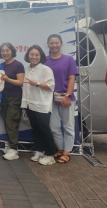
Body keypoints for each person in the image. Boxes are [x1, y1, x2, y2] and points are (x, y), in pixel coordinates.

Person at [46, 34, 79, 164]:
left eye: (56, 43)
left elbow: (72, 78)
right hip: (50, 99)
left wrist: (68, 96)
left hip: (66, 97)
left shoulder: (68, 59)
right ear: (48, 44)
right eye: (51, 43)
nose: (54, 45)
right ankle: (60, 149)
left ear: (61, 44)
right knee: (54, 127)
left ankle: (67, 152)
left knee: (68, 126)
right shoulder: (45, 60)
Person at [21, 45, 56, 166]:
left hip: (42, 104)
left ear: (40, 56)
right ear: (28, 55)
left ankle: (51, 154)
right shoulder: (26, 69)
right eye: (32, 54)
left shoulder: (46, 69)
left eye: (36, 55)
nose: (34, 57)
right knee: (35, 129)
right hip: (30, 104)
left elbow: (51, 86)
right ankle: (39, 151)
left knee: (44, 129)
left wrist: (37, 83)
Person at [0, 43, 25, 161]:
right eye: (3, 51)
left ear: (12, 51)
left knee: (11, 123)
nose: (5, 53)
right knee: (6, 122)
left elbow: (20, 82)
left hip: (15, 98)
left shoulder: (18, 65)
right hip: (3, 97)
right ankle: (11, 147)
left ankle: (14, 149)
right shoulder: (0, 65)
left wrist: (7, 79)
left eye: (7, 50)